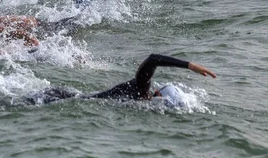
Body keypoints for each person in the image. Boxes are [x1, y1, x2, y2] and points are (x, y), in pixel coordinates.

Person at [24, 54, 216, 105]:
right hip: (57, 98)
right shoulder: (141, 89)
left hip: (69, 96)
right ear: (158, 94)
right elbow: (153, 59)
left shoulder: (142, 96)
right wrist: (189, 66)